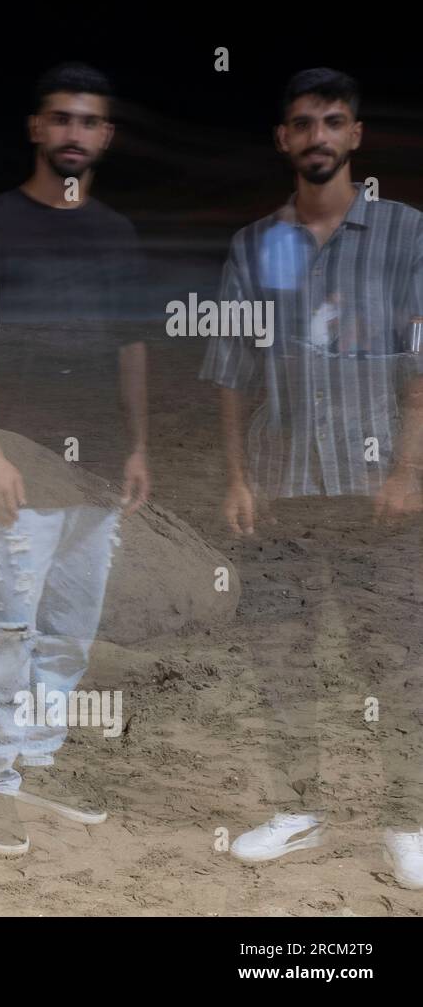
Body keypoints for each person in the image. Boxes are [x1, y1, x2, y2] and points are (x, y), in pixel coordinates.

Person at [200, 68, 423, 889]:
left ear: (356, 135)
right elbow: (230, 371)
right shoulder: (256, 246)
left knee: (396, 657)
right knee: (281, 654)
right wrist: (235, 478)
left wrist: (407, 470)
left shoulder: (405, 234)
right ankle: (297, 808)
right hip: (282, 482)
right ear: (284, 140)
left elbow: (420, 364)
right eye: (303, 123)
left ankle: (408, 818)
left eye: (334, 120)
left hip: (379, 493)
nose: (318, 135)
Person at [0, 62, 153, 857]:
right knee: (4, 628)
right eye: (60, 119)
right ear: (37, 129)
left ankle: (38, 761)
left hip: (96, 466)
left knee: (69, 630)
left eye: (89, 122)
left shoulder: (117, 233)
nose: (74, 133)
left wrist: (138, 445)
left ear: (105, 136)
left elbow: (132, 343)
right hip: (16, 465)